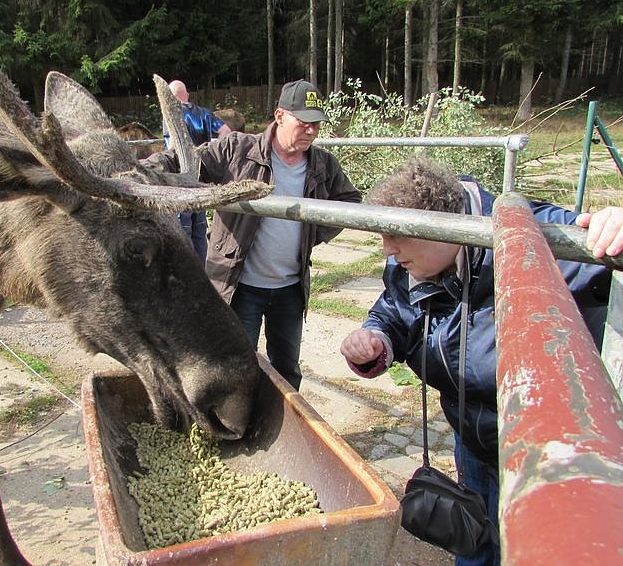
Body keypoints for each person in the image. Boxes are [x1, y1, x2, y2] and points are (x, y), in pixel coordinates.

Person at [339, 155, 623, 566]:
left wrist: (614, 228)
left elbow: (598, 257)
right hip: (470, 434)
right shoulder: (409, 262)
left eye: (395, 236)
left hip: (539, 454)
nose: (387, 248)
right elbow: (394, 312)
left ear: (442, 226)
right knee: (474, 543)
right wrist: (375, 340)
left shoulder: (532, 238)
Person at [146, 79, 362, 389]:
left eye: (316, 124)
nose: (311, 130)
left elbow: (349, 201)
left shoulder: (322, 165)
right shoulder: (237, 149)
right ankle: (242, 418)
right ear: (280, 116)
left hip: (290, 289)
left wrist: (313, 232)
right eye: (303, 122)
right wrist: (140, 171)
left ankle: (285, 417)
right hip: (240, 285)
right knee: (235, 366)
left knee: (287, 369)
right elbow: (186, 161)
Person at [165, 80, 232, 264]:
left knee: (183, 231)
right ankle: (202, 271)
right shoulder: (204, 113)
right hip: (200, 179)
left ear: (169, 97)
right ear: (186, 95)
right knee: (200, 231)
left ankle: (186, 272)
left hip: (180, 181)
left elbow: (171, 148)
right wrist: (209, 152)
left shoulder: (171, 114)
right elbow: (226, 131)